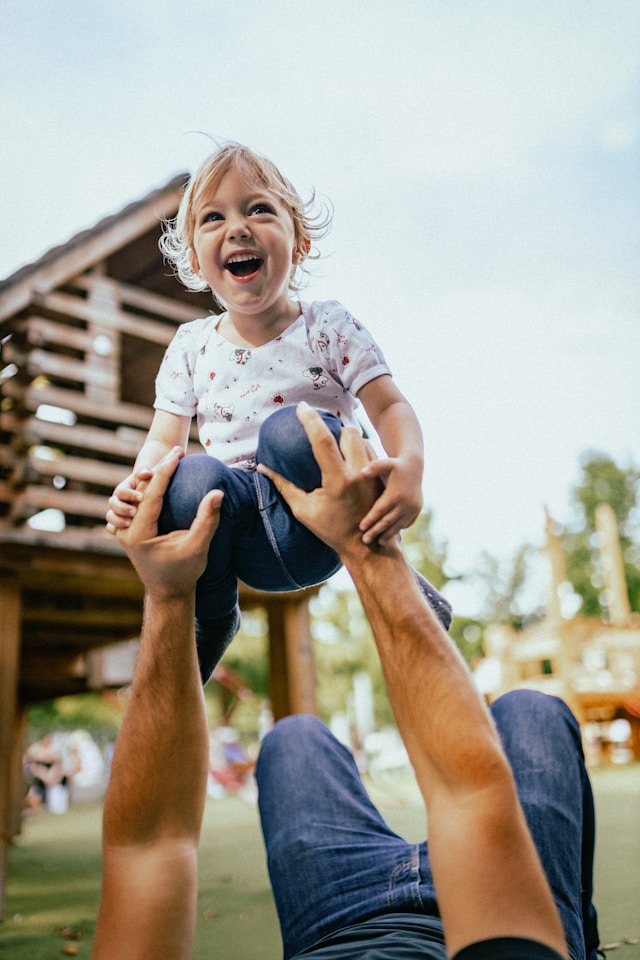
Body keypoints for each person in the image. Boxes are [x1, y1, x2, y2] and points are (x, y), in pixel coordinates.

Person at [94, 404, 599, 960]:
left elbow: (148, 848)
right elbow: (470, 795)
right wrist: (367, 548)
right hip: (499, 898)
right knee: (532, 711)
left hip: (340, 921)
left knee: (293, 740)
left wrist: (169, 596)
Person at [105, 141, 451, 683]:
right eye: (213, 217)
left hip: (325, 520)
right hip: (244, 534)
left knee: (292, 431)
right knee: (190, 474)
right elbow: (161, 441)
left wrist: (409, 466)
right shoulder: (191, 346)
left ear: (301, 242)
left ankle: (396, 578)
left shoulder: (328, 326)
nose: (237, 227)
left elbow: (389, 405)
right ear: (197, 259)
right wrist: (135, 489)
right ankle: (215, 616)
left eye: (258, 209)